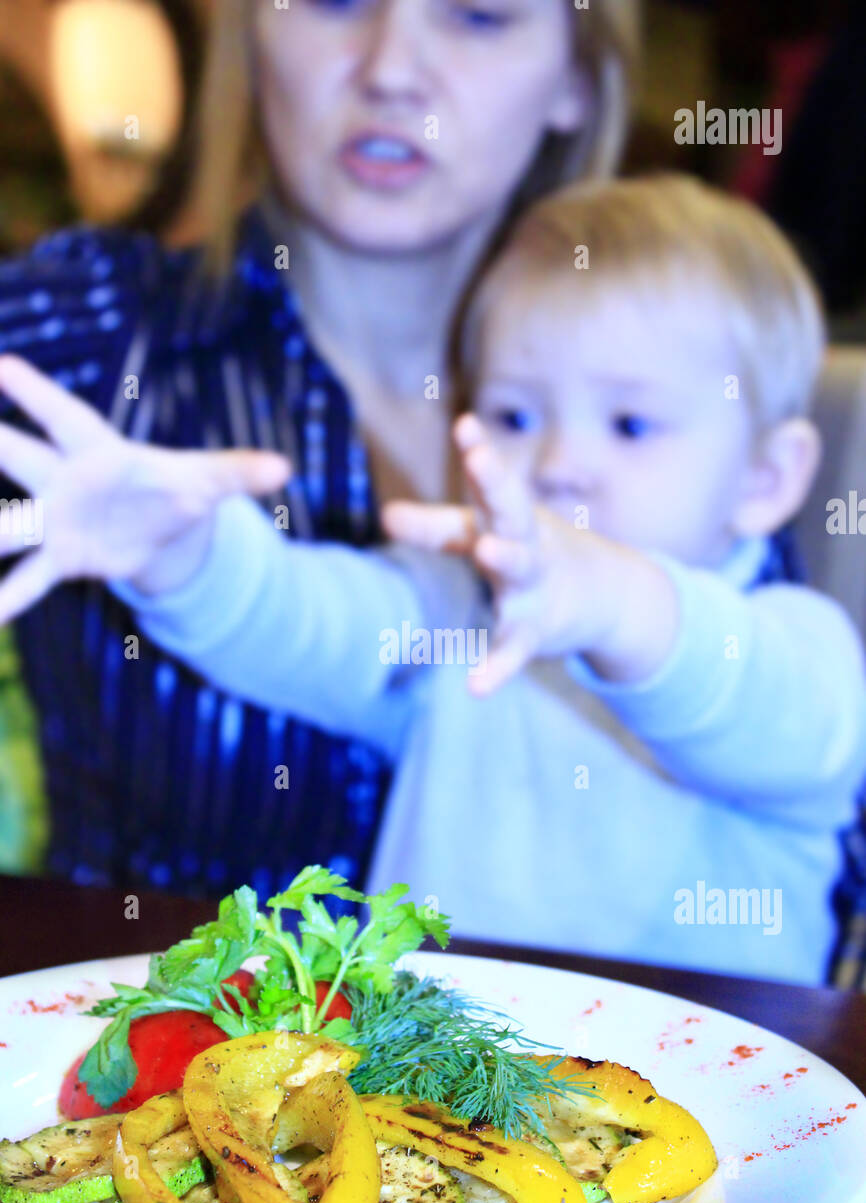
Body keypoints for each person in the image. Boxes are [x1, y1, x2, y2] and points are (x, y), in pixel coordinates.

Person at [103, 175, 866, 985]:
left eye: (631, 423)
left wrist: (609, 601)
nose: (559, 467)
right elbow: (301, 620)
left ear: (766, 477)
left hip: (716, 1085)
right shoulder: (457, 608)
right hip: (435, 1083)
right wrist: (177, 547)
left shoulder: (801, 650)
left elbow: (727, 687)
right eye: (513, 416)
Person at [0, 0, 639, 898]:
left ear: (577, 78)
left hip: (555, 1040)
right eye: (336, 2)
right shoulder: (92, 329)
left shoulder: (672, 388)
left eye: (479, 17)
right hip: (136, 1023)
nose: (390, 69)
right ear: (251, 40)